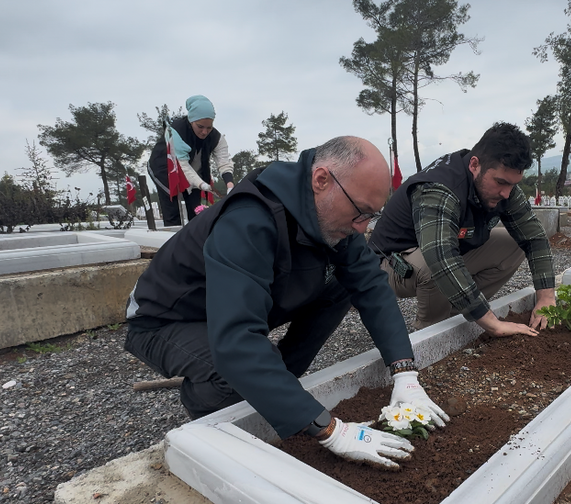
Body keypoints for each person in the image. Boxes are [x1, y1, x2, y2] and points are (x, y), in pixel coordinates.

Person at [126, 136, 448, 469]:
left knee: (341, 284)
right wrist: (331, 430)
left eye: (371, 215)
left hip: (225, 308)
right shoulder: (250, 219)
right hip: (166, 319)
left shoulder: (330, 216)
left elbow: (371, 286)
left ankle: (279, 384)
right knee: (229, 371)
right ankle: (212, 413)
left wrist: (404, 373)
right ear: (321, 180)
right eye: (360, 212)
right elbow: (236, 341)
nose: (362, 227)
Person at [368, 122, 556, 336]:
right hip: (391, 265)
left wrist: (546, 297)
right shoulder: (439, 188)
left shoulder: (504, 189)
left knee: (513, 244)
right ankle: (430, 334)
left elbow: (535, 238)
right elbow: (440, 257)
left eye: (513, 184)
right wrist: (494, 324)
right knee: (435, 265)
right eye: (501, 182)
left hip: (436, 254)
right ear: (475, 165)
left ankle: (456, 314)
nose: (506, 193)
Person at [147, 95, 235, 226]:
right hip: (166, 168)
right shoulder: (176, 131)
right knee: (173, 211)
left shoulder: (216, 137)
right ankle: (173, 241)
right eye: (200, 127)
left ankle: (196, 241)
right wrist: (203, 185)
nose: (205, 132)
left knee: (196, 212)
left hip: (194, 173)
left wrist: (229, 184)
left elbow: (224, 163)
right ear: (191, 121)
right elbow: (183, 166)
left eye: (209, 127)